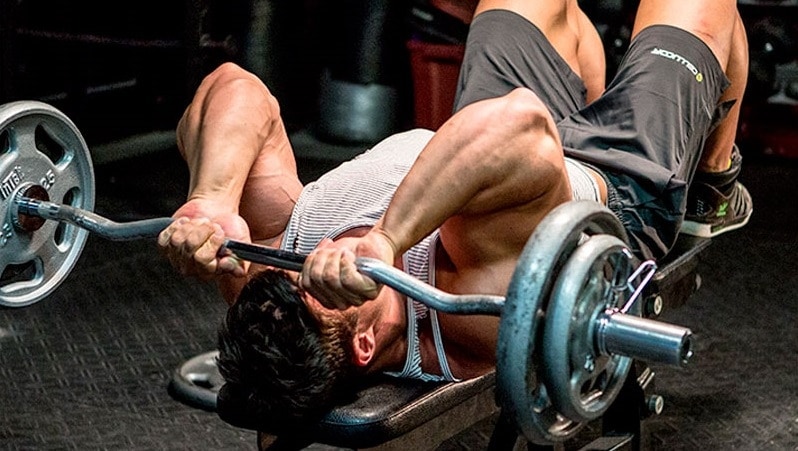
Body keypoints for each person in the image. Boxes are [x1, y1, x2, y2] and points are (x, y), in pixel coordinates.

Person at [158, 0, 752, 430]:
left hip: (479, 154)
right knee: (701, 10)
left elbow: (232, 87)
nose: (304, 261)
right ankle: (713, 184)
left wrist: (212, 199)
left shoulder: (275, 289)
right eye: (315, 286)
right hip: (609, 180)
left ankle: (587, 97)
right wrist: (386, 240)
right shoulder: (463, 307)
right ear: (365, 343)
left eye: (288, 272)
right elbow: (522, 123)